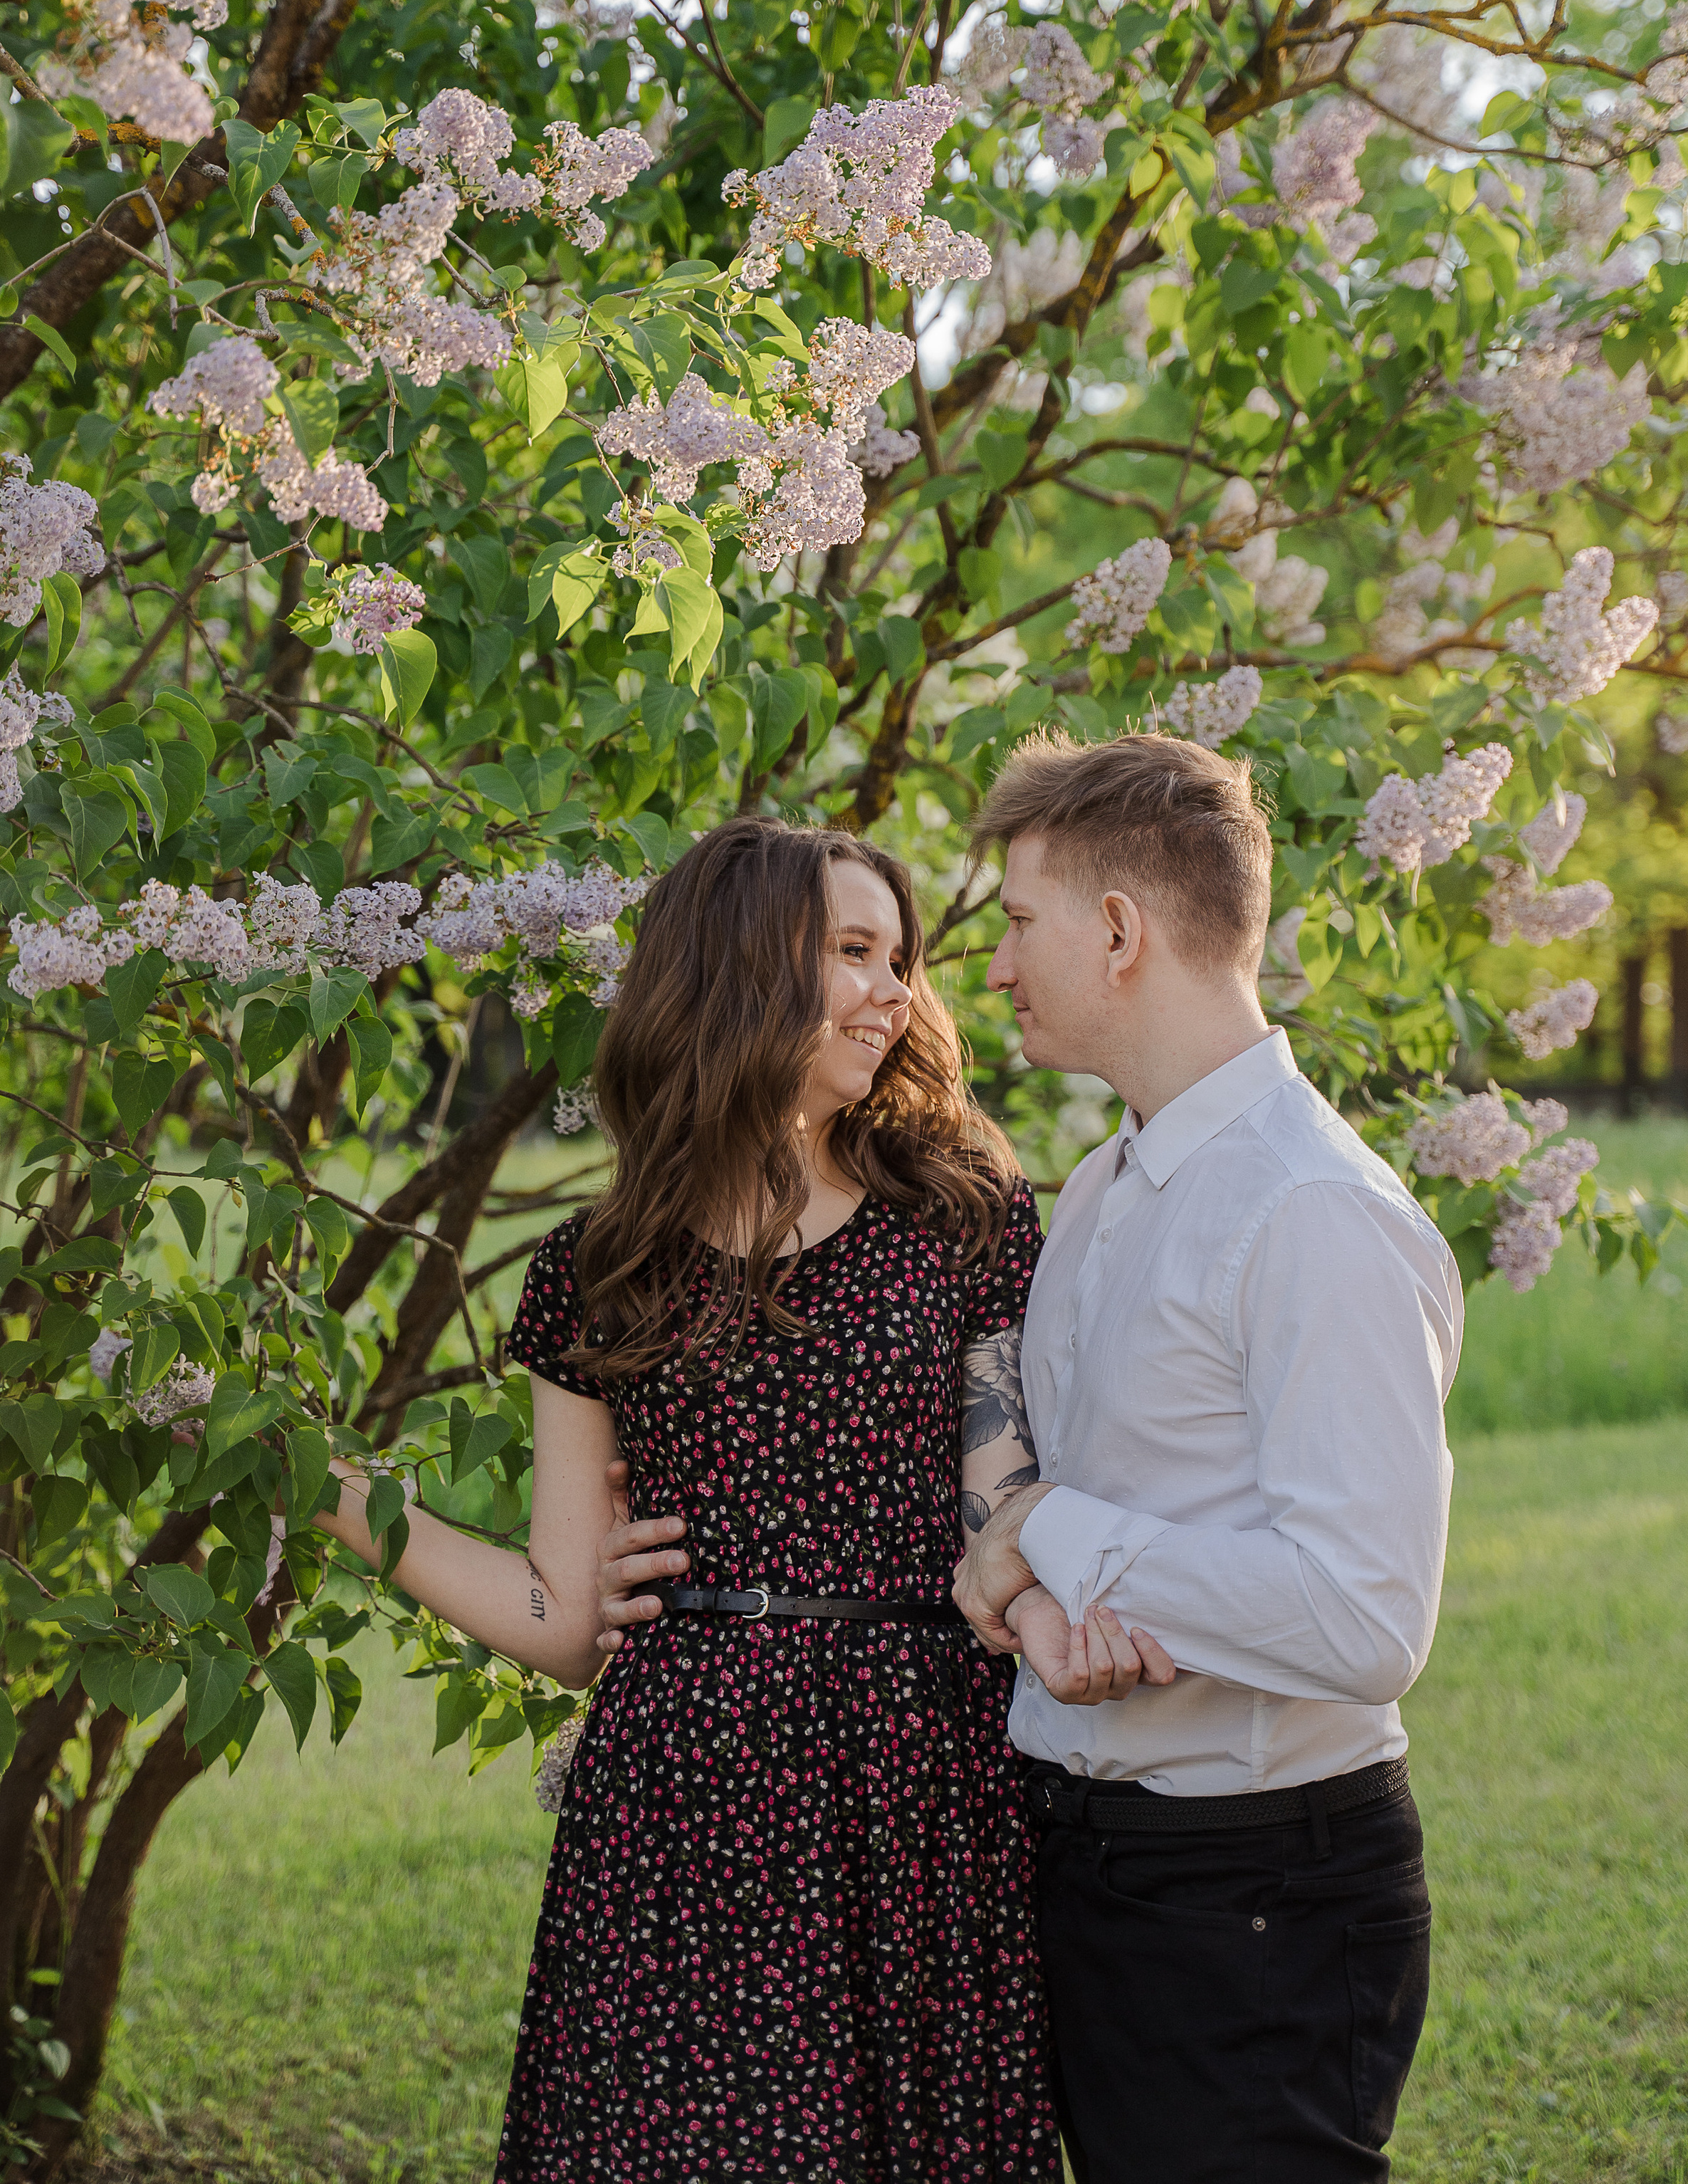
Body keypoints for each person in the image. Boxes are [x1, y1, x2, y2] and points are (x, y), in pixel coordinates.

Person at [318, 815, 1163, 2181]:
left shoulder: (965, 1217)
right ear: (740, 965)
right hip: (680, 1793)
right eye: (854, 952)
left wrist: (1077, 1612)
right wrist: (331, 1495)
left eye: (901, 961)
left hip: (915, 1779)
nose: (895, 993)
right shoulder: (600, 1269)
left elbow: (1004, 1520)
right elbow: (561, 1619)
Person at [952, 731, 1464, 2184]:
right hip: (1089, 1859)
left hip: (1255, 1893)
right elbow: (1092, 1508)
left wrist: (1050, 1532)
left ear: (1118, 932)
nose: (996, 968)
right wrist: (1032, 1589)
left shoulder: (1311, 1211)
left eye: (1018, 923)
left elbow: (1366, 1619)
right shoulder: (1103, 1188)